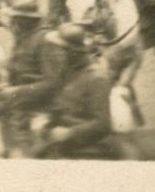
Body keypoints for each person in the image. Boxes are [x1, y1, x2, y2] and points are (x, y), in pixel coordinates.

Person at [0, 3, 74, 154]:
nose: (13, 23)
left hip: (40, 109)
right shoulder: (25, 37)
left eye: (16, 19)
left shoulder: (46, 40)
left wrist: (16, 91)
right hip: (19, 105)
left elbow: (53, 83)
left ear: (27, 20)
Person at [33, 22, 113, 159]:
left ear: (72, 53)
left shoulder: (96, 78)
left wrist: (69, 133)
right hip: (63, 144)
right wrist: (46, 119)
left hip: (88, 150)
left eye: (58, 50)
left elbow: (103, 124)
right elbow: (62, 106)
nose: (53, 55)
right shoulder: (68, 72)